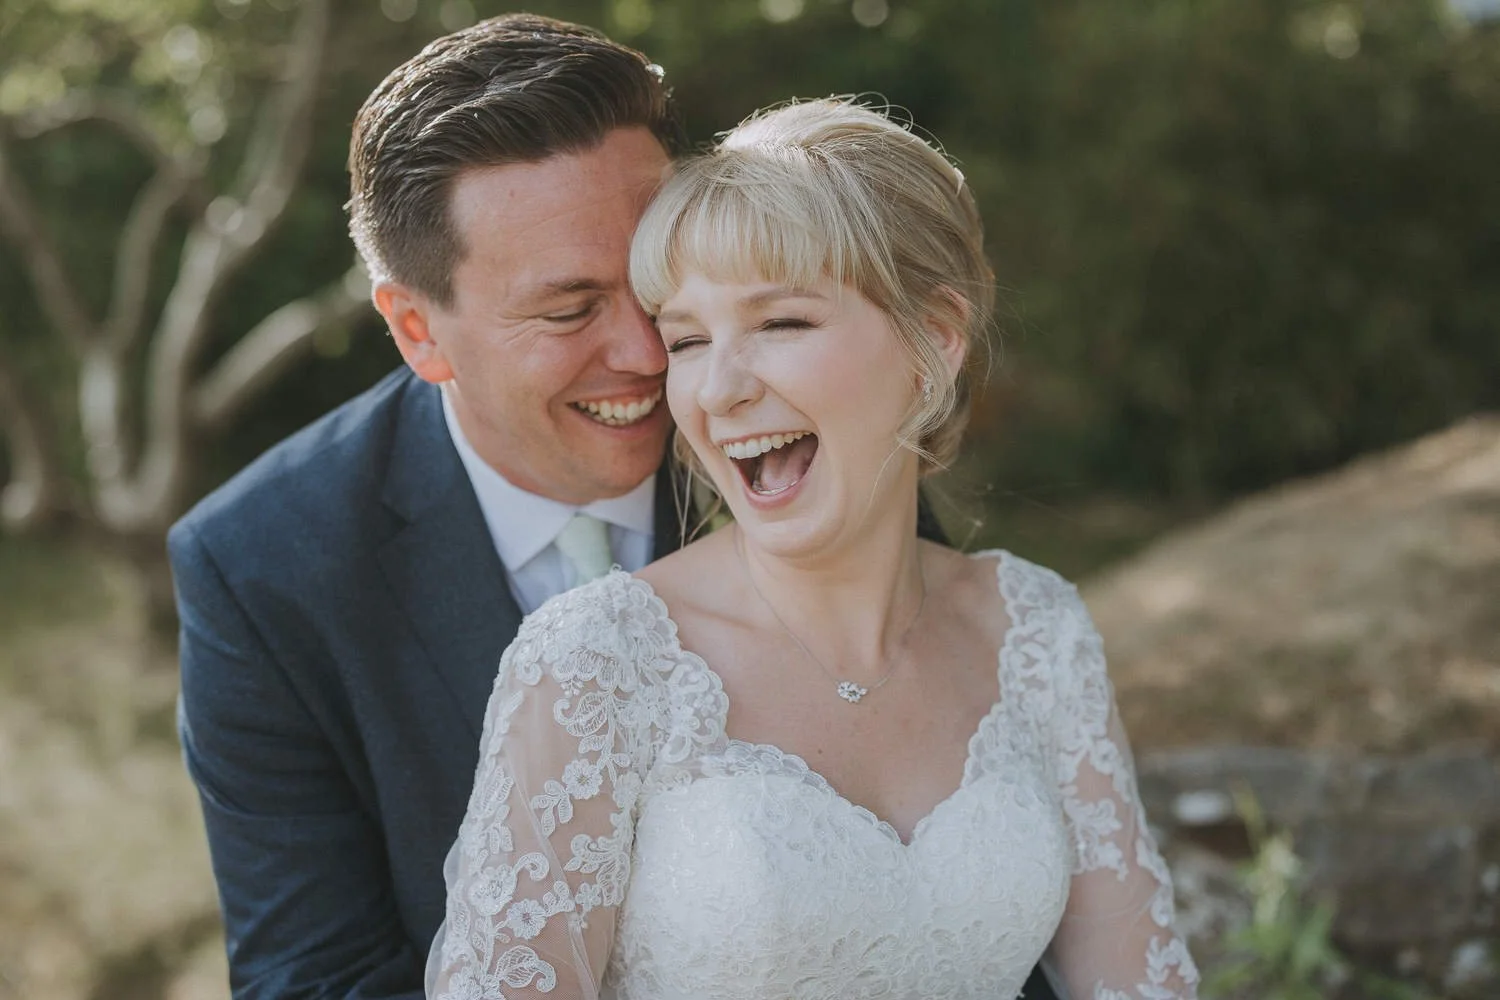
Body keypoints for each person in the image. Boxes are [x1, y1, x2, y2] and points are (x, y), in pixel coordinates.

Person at [170, 15, 1053, 1000]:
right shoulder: (262, 567)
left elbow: (972, 836)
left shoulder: (787, 430)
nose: (651, 354)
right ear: (420, 331)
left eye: (654, 278)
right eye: (569, 308)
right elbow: (311, 980)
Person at [427, 98, 1201, 1000]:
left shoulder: (1035, 630)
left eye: (780, 324)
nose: (718, 390)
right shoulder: (598, 665)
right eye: (686, 340)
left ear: (935, 344)